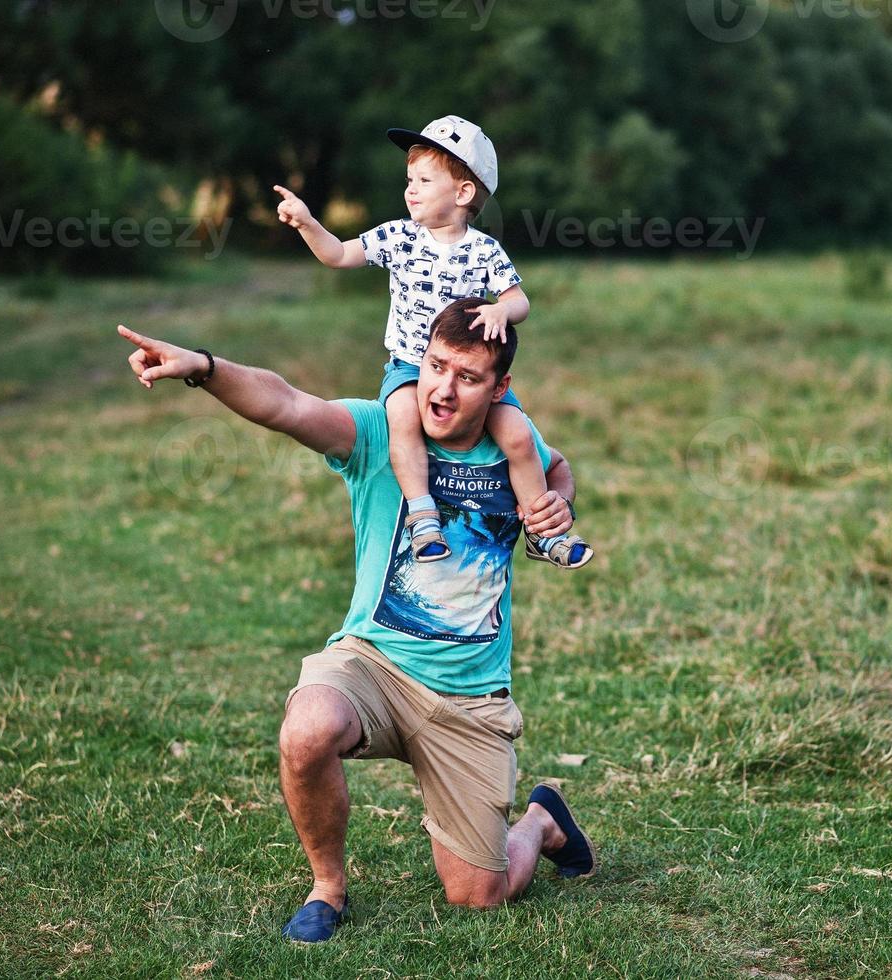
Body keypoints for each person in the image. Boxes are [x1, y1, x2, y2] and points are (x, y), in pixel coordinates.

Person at [117, 298, 597, 945]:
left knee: (479, 897)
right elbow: (285, 403)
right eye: (435, 366)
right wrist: (202, 366)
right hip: (371, 662)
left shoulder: (514, 444)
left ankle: (539, 821)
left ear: (500, 387)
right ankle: (327, 888)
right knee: (308, 727)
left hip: (469, 696)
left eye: (467, 376)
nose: (443, 390)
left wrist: (556, 506)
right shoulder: (376, 433)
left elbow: (557, 469)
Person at [272, 114, 594, 569]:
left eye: (424, 179)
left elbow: (519, 300)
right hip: (409, 366)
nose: (411, 189)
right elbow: (339, 255)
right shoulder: (398, 237)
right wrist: (307, 223)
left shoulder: (483, 250)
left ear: (463, 193)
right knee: (402, 418)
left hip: (466, 373)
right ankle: (422, 517)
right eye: (409, 179)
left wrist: (503, 309)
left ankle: (541, 531)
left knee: (519, 436)